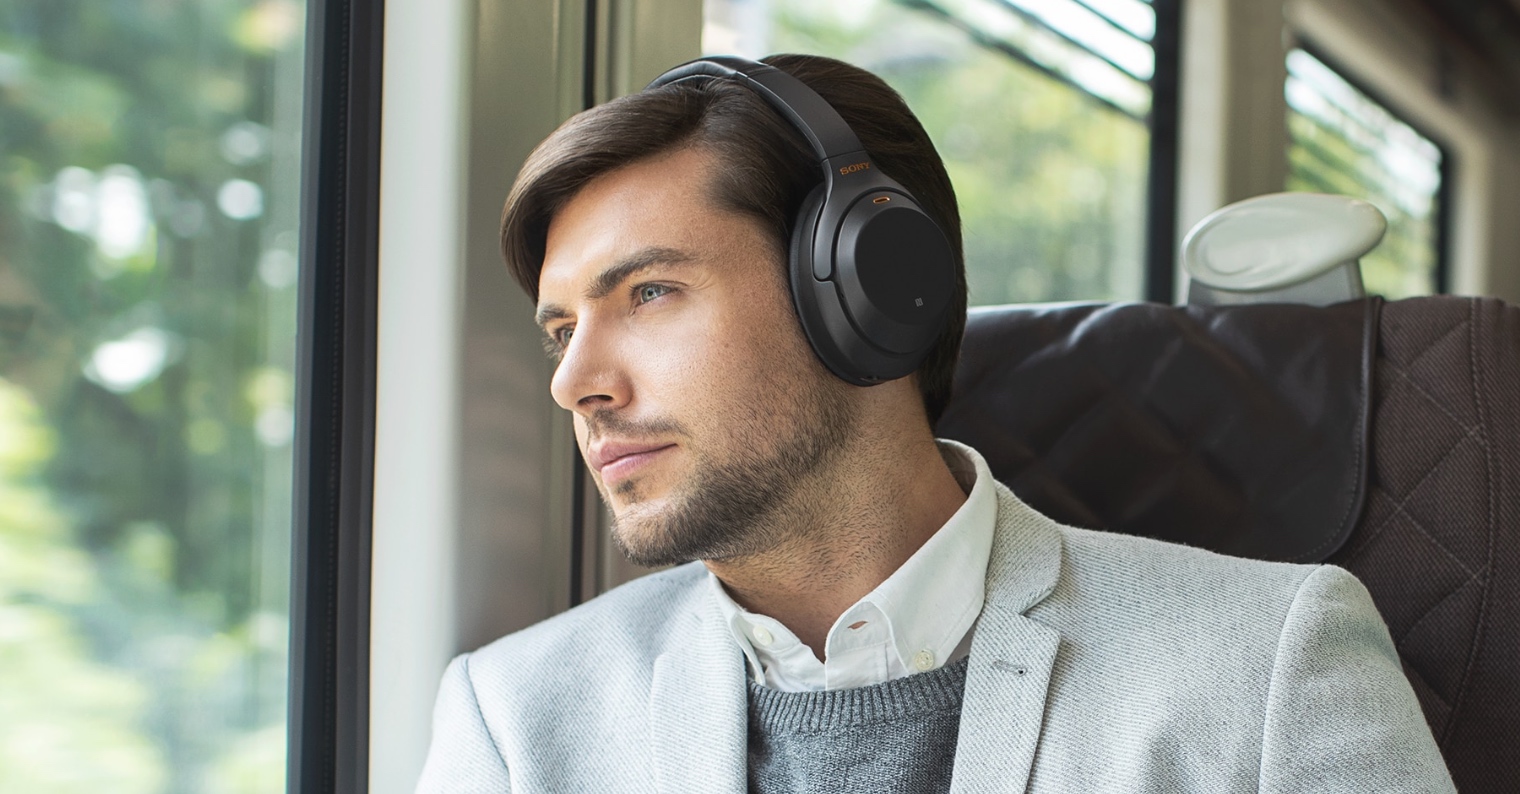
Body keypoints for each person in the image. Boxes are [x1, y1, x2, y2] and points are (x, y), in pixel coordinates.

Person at [416, 53, 1454, 793]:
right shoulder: (513, 718)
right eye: (561, 330)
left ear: (866, 290)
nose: (574, 383)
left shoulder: (1268, 663)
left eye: (646, 293)